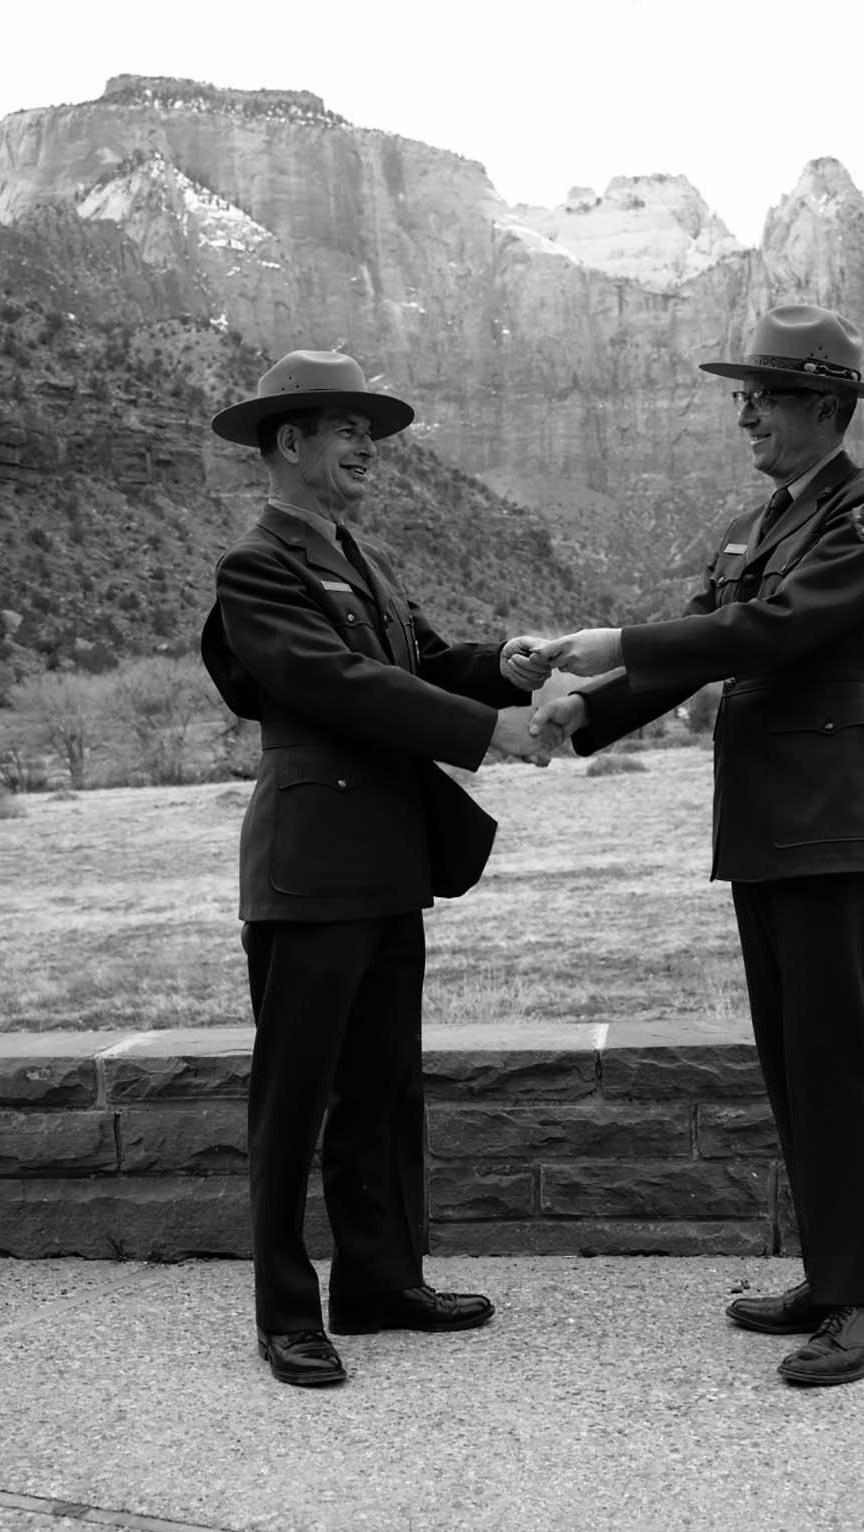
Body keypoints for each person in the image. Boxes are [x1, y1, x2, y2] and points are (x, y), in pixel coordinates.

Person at [530, 304, 864, 1387]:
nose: (744, 410)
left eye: (763, 393)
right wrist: (577, 712)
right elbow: (687, 654)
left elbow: (772, 631)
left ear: (827, 404)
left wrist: (613, 640)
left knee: (837, 1057)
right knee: (793, 1054)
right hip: (766, 816)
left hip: (834, 810)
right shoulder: (753, 528)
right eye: (742, 393)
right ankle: (829, 1268)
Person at [201, 349, 555, 1387]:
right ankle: (283, 1309)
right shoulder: (256, 567)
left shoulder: (364, 556)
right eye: (343, 426)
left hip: (387, 862)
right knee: (294, 1094)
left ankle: (378, 1279)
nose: (366, 443)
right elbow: (339, 682)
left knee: (383, 1086)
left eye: (371, 428)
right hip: (311, 865)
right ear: (287, 443)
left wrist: (507, 662)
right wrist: (492, 731)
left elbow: (420, 661)